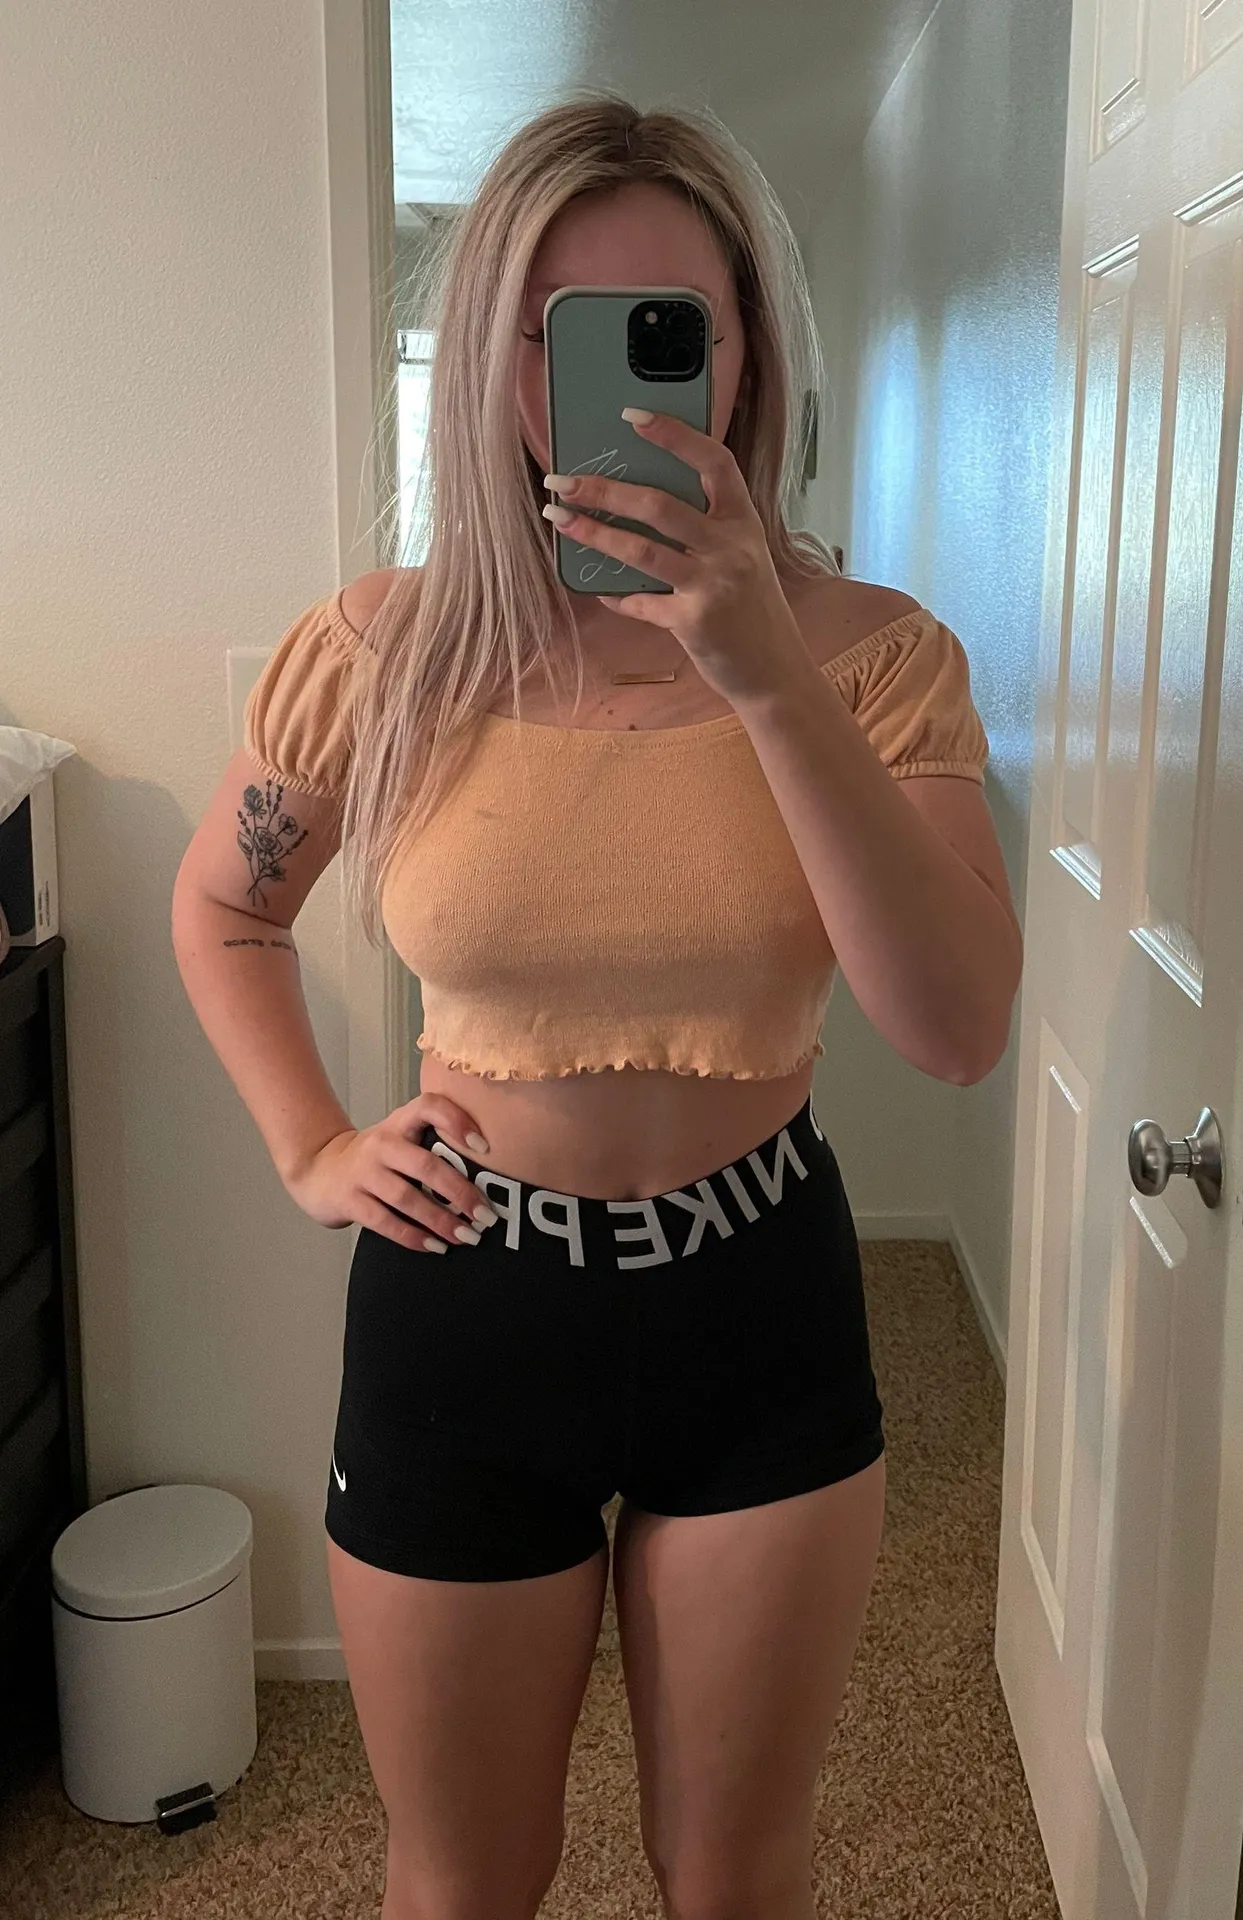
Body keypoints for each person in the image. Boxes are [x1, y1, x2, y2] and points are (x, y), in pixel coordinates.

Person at [173, 91, 1022, 1920]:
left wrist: (761, 667)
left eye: (669, 329)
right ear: (496, 364)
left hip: (757, 1299)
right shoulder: (382, 651)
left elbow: (956, 1029)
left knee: (733, 1877)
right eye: (557, 332)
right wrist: (310, 1145)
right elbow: (227, 907)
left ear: (742, 357)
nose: (617, 387)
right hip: (463, 1301)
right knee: (464, 1881)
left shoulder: (878, 659)